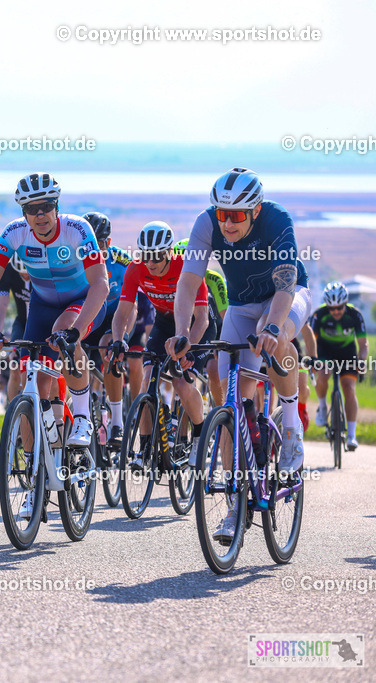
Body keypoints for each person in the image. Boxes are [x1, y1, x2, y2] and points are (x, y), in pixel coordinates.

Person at [173, 167, 311, 544]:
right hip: (241, 306)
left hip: (286, 296)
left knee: (278, 336)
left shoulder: (277, 220)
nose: (227, 223)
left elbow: (285, 284)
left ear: (255, 210)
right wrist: (182, 333)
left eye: (236, 216)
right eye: (222, 214)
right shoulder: (207, 224)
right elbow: (188, 282)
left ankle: (291, 429)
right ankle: (236, 506)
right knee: (227, 389)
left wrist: (271, 328)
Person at [0, 172, 109, 517]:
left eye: (46, 207)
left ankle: (81, 418)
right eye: (31, 208)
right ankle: (39, 477)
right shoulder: (14, 233)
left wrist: (77, 331)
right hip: (42, 307)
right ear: (23, 212)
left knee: (64, 332)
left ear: (56, 206)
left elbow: (100, 285)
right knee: (37, 380)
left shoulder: (78, 229)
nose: (40, 215)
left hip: (83, 302)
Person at [108, 222, 213, 470]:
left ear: (169, 253)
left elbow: (202, 318)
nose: (151, 262)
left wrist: (188, 346)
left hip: (197, 325)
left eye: (156, 256)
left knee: (180, 381)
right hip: (165, 323)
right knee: (147, 384)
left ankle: (199, 435)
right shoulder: (135, 269)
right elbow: (123, 313)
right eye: (146, 256)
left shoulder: (187, 268)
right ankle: (144, 451)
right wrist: (117, 339)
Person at [82, 212, 135, 445]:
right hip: (88, 316)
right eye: (89, 244)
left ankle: (116, 424)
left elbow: (131, 305)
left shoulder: (123, 262)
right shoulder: (75, 259)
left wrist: (121, 336)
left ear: (109, 242)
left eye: (100, 244)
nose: (95, 248)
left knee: (110, 350)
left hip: (114, 317)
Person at [311, 281, 368, 450]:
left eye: (339, 307)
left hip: (346, 352)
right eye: (332, 308)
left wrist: (361, 360)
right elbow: (311, 340)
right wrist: (313, 359)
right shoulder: (319, 315)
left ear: (345, 304)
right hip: (324, 351)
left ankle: (351, 435)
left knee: (349, 387)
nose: (336, 311)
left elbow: (363, 343)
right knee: (322, 374)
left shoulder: (355, 315)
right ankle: (322, 408)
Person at [175, 238, 228, 406]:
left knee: (213, 369)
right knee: (179, 376)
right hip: (188, 330)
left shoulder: (214, 279)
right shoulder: (175, 280)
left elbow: (225, 316)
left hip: (215, 330)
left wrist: (223, 345)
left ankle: (220, 414)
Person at [0, 255, 31, 406]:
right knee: (15, 366)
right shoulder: (8, 271)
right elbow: (1, 306)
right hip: (21, 322)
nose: (25, 276)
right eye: (21, 273)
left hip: (43, 322)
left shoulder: (43, 269)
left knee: (49, 369)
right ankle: (13, 414)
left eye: (28, 273)